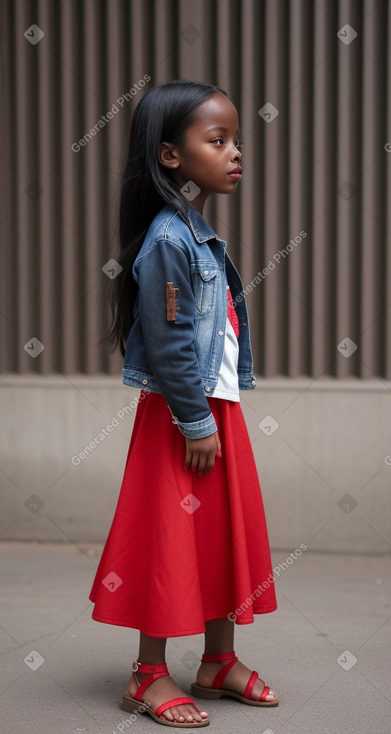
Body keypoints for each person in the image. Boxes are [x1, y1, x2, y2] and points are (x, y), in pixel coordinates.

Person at [89, 79, 278, 728]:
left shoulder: (191, 230)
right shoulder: (169, 241)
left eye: (236, 142)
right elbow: (169, 345)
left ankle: (217, 661)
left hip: (212, 409)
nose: (234, 154)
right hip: (183, 416)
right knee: (169, 541)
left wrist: (212, 414)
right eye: (217, 140)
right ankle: (146, 675)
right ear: (170, 155)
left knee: (219, 534)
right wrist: (195, 422)